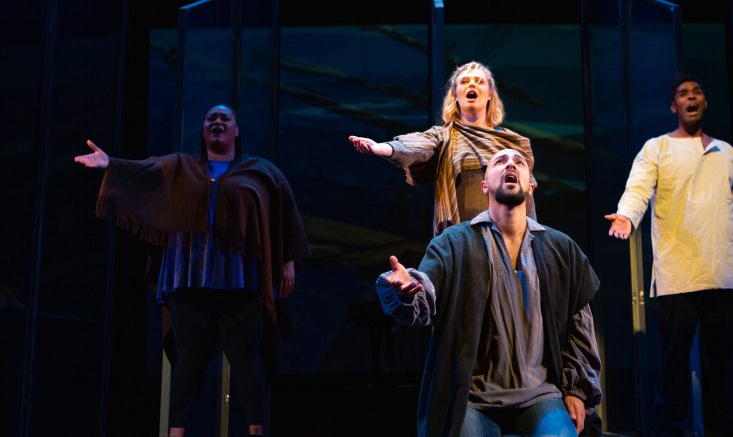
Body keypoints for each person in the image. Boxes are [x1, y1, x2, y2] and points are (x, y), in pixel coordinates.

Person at [75, 104, 309, 437]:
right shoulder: (181, 166)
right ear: (203, 130)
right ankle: (176, 433)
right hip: (189, 276)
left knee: (247, 359)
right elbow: (147, 171)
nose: (216, 122)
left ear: (236, 130)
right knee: (189, 361)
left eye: (224, 118)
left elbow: (284, 211)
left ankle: (257, 431)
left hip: (241, 279)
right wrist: (111, 163)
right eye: (210, 118)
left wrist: (288, 259)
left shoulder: (260, 171)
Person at [377, 148, 602, 437]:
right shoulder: (453, 243)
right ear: (485, 185)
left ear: (531, 185)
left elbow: (578, 326)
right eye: (500, 162)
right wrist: (407, 291)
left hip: (539, 393)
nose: (510, 164)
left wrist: (575, 390)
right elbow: (425, 292)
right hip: (472, 396)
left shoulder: (561, 248)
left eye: (518, 162)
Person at [605, 77, 733, 436]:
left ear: (705, 103)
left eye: (697, 92)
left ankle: (732, 429)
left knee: (725, 363)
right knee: (674, 363)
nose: (691, 97)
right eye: (683, 93)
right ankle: (668, 430)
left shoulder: (725, 152)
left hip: (724, 271)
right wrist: (627, 215)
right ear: (673, 107)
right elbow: (638, 189)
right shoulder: (657, 148)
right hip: (679, 273)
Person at [349, 61, 537, 235]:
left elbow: (527, 191)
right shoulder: (444, 137)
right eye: (464, 82)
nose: (472, 85)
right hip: (463, 236)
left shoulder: (512, 143)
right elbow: (417, 146)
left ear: (490, 94)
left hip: (508, 234)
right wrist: (382, 148)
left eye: (479, 81)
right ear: (455, 94)